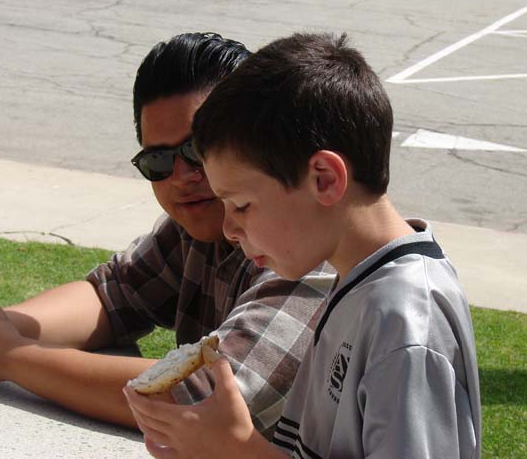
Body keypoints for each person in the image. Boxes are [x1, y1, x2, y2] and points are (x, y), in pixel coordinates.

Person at [124, 32, 482, 458]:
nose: (230, 229)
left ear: (324, 180)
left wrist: (237, 450)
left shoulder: (404, 320)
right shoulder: (355, 285)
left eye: (241, 205)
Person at [0, 32, 333, 433]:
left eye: (197, 150)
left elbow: (207, 398)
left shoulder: (304, 248)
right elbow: (114, 294)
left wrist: (11, 356)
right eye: (158, 160)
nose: (181, 177)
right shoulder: (197, 227)